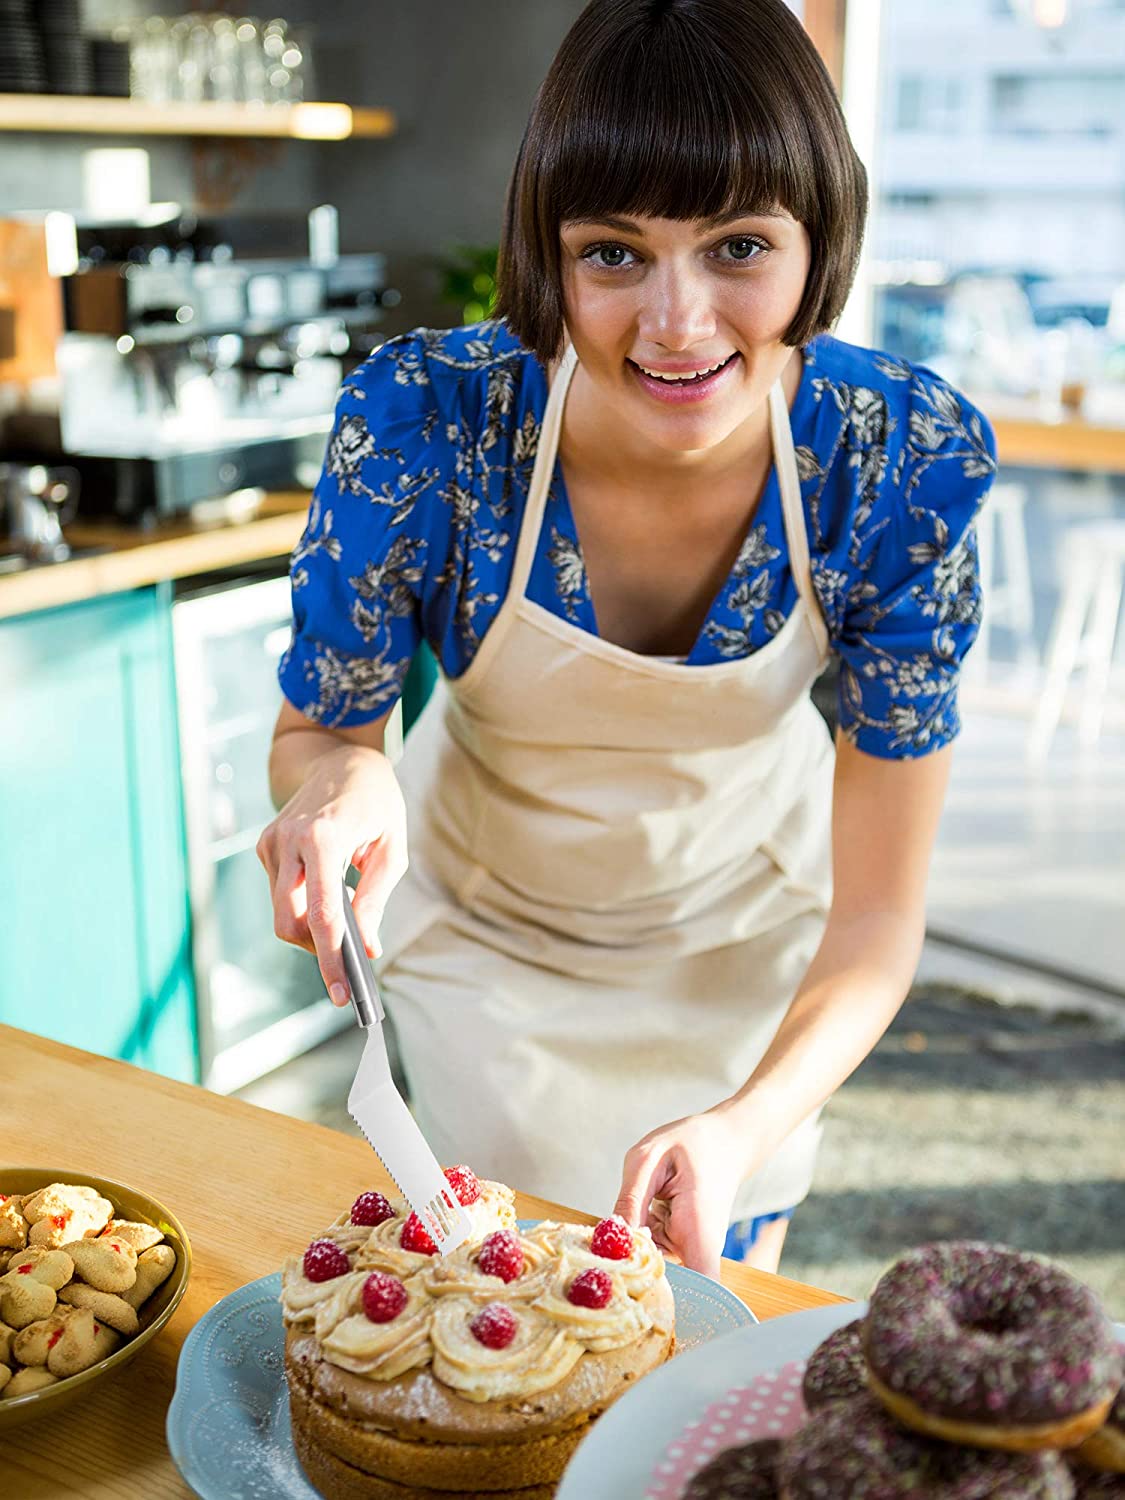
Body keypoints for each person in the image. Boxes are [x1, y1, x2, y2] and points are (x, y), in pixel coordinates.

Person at [258, 0, 995, 1279]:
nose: (677, 322)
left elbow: (879, 918)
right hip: (483, 948)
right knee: (503, 1325)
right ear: (547, 250)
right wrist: (342, 776)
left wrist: (742, 1127)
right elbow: (324, 730)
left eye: (738, 247)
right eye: (612, 254)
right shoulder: (432, 423)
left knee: (709, 1329)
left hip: (750, 954)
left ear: (822, 243)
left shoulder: (890, 459)